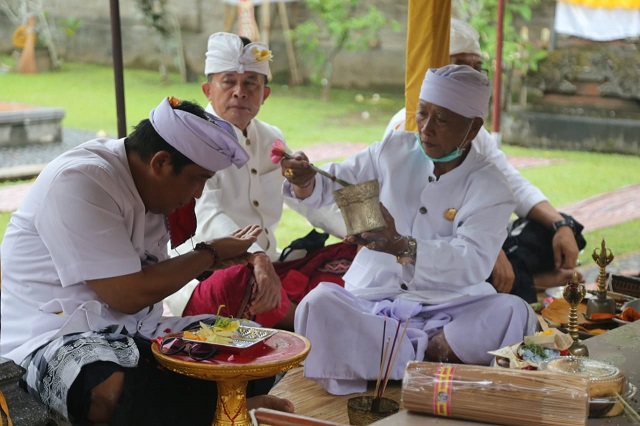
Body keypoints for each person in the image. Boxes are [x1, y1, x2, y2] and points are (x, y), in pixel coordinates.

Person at [0, 97, 292, 424]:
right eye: (198, 178)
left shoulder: (148, 187)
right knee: (108, 391)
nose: (198, 193)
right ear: (161, 162)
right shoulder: (81, 181)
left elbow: (146, 276)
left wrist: (209, 261)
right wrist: (209, 253)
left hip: (137, 329)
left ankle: (213, 408)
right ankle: (226, 411)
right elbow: (126, 295)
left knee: (257, 344)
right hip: (53, 336)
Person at [282, 64, 540, 395]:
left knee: (512, 312)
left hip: (451, 306)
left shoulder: (492, 187)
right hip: (375, 299)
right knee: (316, 305)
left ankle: (386, 359)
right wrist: (304, 180)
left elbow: (472, 261)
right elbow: (334, 181)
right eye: (422, 114)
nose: (426, 128)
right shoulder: (393, 150)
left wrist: (403, 245)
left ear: (473, 128)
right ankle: (424, 354)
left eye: (442, 119)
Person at [384, 18, 585, 303]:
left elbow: (508, 182)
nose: (472, 75)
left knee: (559, 229)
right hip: (431, 254)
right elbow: (418, 214)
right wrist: (490, 250)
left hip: (479, 236)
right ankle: (537, 282)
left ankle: (526, 277)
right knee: (497, 298)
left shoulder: (470, 129)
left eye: (477, 67)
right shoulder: (405, 129)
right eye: (461, 64)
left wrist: (559, 225)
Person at [165, 32, 355, 330]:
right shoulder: (193, 138)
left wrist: (309, 189)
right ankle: (303, 327)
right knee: (243, 278)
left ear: (264, 94)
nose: (240, 91)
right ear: (208, 90)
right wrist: (254, 257)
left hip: (272, 266)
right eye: (228, 81)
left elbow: (305, 200)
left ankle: (291, 312)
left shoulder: (272, 138)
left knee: (351, 256)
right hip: (209, 276)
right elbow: (206, 218)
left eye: (251, 83)